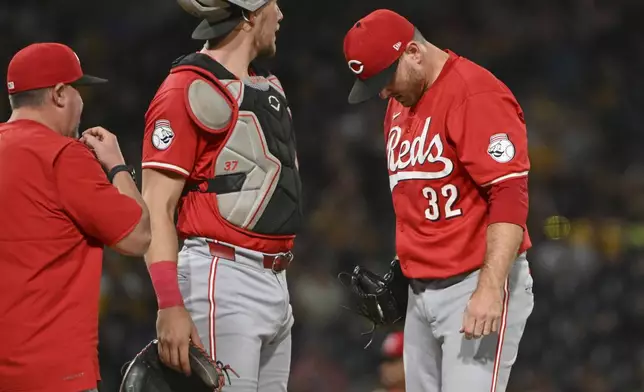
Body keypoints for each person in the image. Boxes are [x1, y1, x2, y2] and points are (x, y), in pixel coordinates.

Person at [342, 9, 535, 392]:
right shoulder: (400, 102)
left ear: (413, 52)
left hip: (473, 284)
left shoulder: (475, 93)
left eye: (385, 77)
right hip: (421, 292)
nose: (382, 91)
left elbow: (509, 193)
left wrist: (490, 287)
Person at [140, 0, 302, 391]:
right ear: (249, 13)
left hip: (276, 280)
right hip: (221, 279)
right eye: (273, 5)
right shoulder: (187, 87)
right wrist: (169, 303)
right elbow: (155, 207)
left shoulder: (264, 85)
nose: (280, 15)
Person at [0, 43, 151, 392]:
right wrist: (116, 165)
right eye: (78, 90)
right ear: (58, 94)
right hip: (52, 374)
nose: (82, 102)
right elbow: (138, 237)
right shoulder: (63, 155)